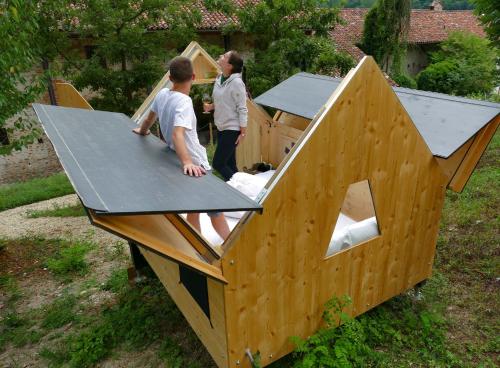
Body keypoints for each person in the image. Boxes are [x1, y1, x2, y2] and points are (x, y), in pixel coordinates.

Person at [133, 56, 230, 240]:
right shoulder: (184, 102)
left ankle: (199, 249)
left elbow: (149, 119)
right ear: (193, 77)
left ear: (170, 78)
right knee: (216, 208)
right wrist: (188, 162)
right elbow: (178, 134)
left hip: (177, 160)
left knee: (194, 207)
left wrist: (142, 131)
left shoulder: (162, 94)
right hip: (196, 164)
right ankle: (233, 247)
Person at [204, 51, 248, 181]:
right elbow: (223, 102)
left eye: (224, 56)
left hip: (232, 129)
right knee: (230, 164)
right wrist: (211, 106)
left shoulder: (237, 83)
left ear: (230, 65)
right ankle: (241, 192)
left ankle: (238, 189)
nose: (220, 56)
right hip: (221, 127)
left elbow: (242, 109)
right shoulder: (219, 79)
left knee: (218, 164)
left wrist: (242, 133)